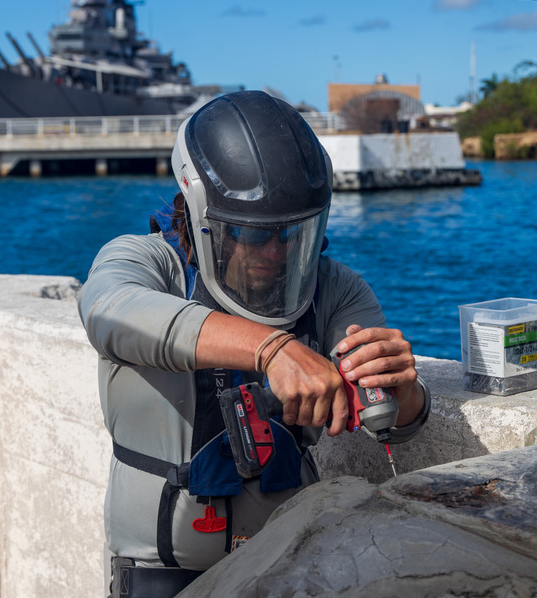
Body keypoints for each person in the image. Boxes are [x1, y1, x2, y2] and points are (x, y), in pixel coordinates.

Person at [78, 90, 430, 598]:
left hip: (292, 563)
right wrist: (273, 349)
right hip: (160, 573)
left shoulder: (336, 288)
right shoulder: (146, 263)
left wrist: (404, 389)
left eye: (293, 234)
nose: (275, 251)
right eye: (250, 233)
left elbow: (398, 416)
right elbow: (107, 310)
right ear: (198, 214)